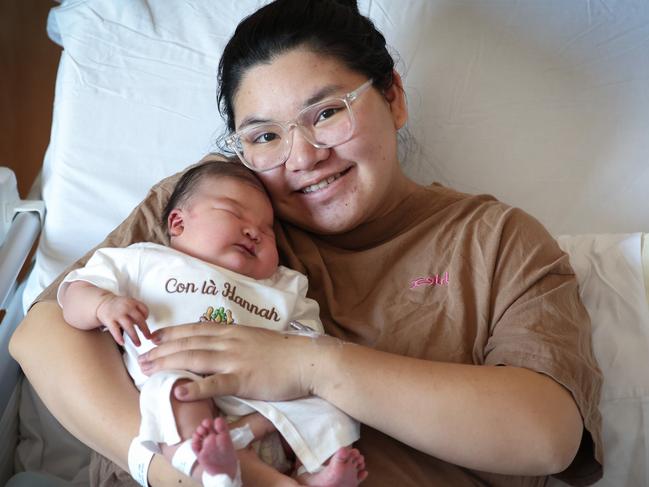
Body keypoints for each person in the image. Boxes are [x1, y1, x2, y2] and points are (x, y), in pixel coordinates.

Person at [10, 0, 604, 486]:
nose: (303, 157)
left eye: (325, 114)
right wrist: (178, 471)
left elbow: (546, 435)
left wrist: (310, 367)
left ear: (393, 97)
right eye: (264, 135)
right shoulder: (212, 205)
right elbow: (42, 337)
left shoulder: (496, 242)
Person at [57, 161, 366, 487]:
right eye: (234, 214)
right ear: (177, 223)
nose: (253, 232)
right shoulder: (142, 261)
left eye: (267, 230)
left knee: (333, 405)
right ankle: (210, 470)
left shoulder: (285, 286)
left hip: (267, 399)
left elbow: (311, 342)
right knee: (170, 391)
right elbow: (71, 295)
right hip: (189, 388)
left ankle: (312, 473)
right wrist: (104, 304)